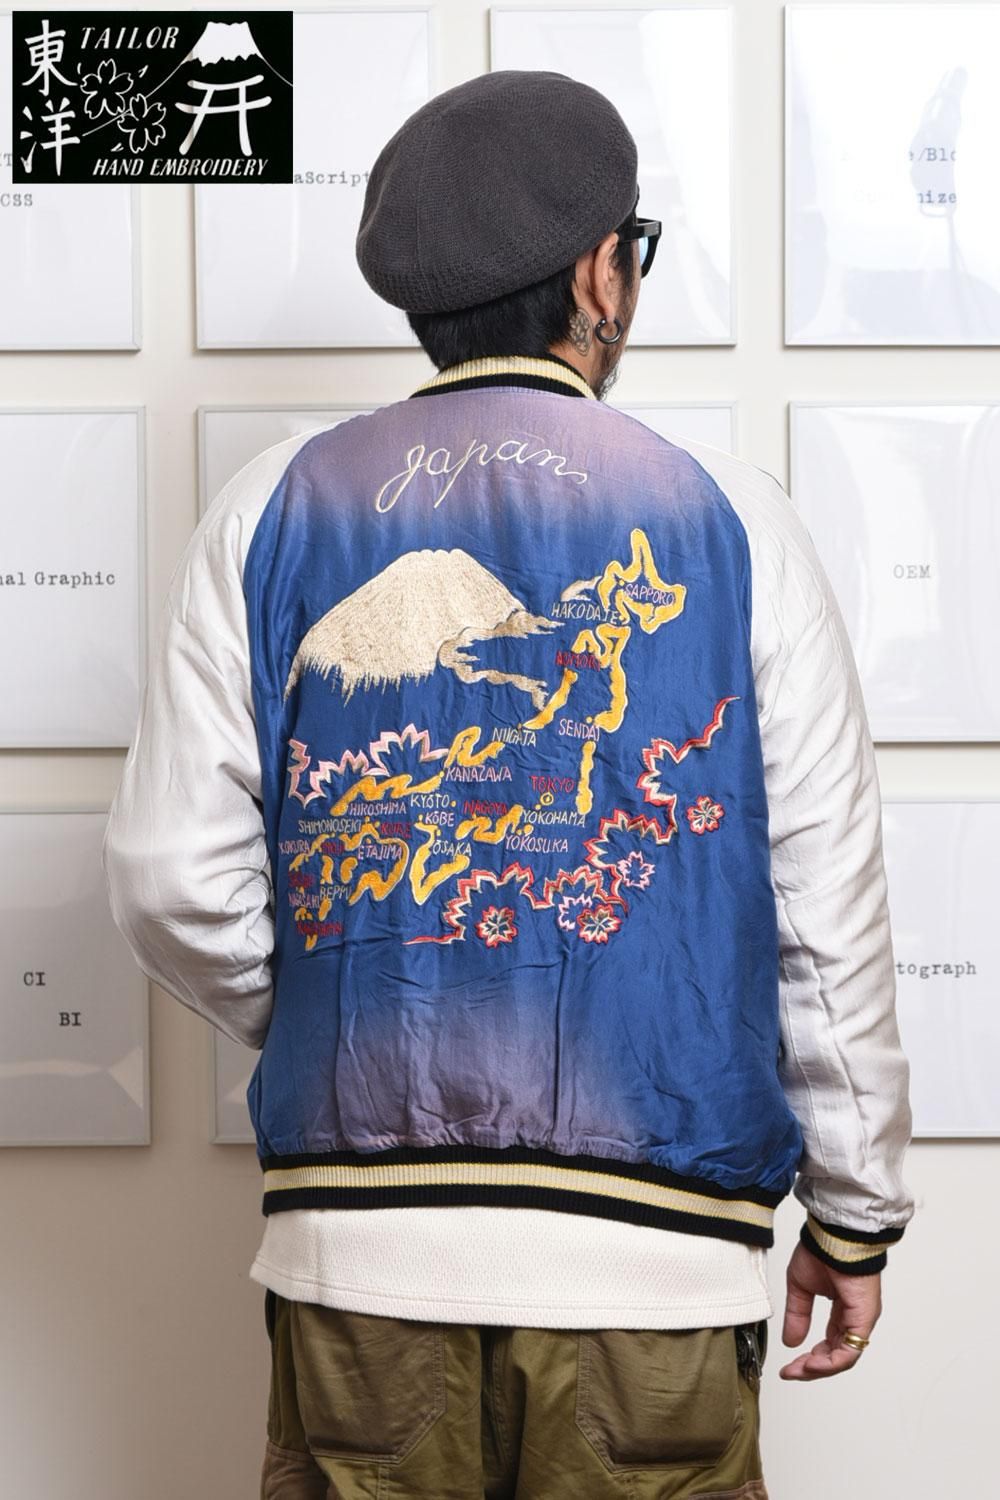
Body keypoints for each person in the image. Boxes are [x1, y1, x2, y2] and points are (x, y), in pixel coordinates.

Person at [102, 69, 916, 1500]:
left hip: (358, 1269)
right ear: (602, 272)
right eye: (636, 251)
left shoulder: (270, 507)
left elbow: (170, 878)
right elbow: (823, 916)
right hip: (656, 1275)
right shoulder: (734, 522)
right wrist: (856, 1215)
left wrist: (344, 1002)